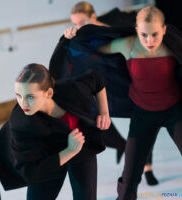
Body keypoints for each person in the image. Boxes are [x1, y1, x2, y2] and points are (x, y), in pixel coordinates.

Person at [50, 1, 159, 186]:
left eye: (81, 21)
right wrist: (67, 40)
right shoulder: (80, 38)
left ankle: (147, 166)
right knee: (97, 122)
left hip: (125, 84)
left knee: (142, 123)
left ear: (93, 17)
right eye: (74, 23)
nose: (78, 26)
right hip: (99, 90)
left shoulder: (114, 25)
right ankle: (122, 147)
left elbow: (139, 32)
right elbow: (69, 61)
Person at [97, 6, 182, 199]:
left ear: (164, 30)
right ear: (136, 30)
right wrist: (73, 36)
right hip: (143, 115)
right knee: (129, 178)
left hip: (174, 112)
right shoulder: (127, 44)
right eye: (144, 35)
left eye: (155, 34)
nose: (149, 40)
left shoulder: (174, 45)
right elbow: (91, 49)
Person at [0, 63, 111, 200]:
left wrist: (104, 112)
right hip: (46, 158)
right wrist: (69, 151)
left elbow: (97, 79)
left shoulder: (71, 90)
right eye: (18, 95)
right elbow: (30, 172)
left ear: (49, 93)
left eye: (30, 97)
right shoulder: (22, 123)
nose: (23, 104)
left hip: (80, 147)